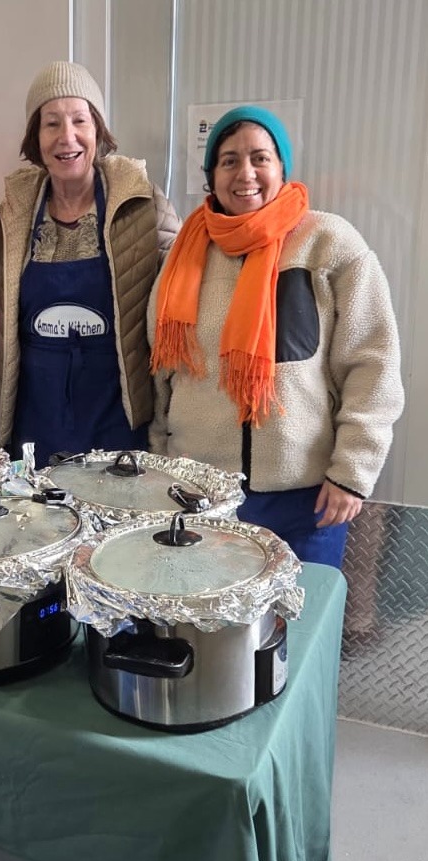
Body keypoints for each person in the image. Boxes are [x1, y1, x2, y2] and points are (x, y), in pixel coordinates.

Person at [148, 105, 404, 568]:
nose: (245, 173)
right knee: (208, 636)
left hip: (304, 500)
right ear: (212, 175)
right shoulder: (184, 256)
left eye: (260, 158)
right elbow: (161, 372)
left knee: (299, 635)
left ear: (282, 168)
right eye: (229, 160)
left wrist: (352, 473)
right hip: (199, 493)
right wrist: (161, 461)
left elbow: (373, 364)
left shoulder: (329, 243)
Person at [0, 62, 180, 467]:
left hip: (119, 419)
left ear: (98, 131)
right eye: (51, 123)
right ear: (35, 138)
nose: (66, 137)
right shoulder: (13, 217)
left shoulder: (142, 207)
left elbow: (177, 312)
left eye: (79, 121)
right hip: (36, 421)